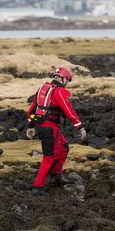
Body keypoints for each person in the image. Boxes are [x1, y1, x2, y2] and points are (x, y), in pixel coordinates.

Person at [26, 66, 86, 194]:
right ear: (64, 79)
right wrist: (79, 126)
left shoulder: (43, 88)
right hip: (49, 129)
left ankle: (55, 175)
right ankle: (37, 186)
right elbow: (68, 110)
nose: (67, 83)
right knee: (49, 157)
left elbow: (32, 109)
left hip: (42, 127)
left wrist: (31, 125)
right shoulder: (60, 91)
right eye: (67, 80)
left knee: (64, 147)